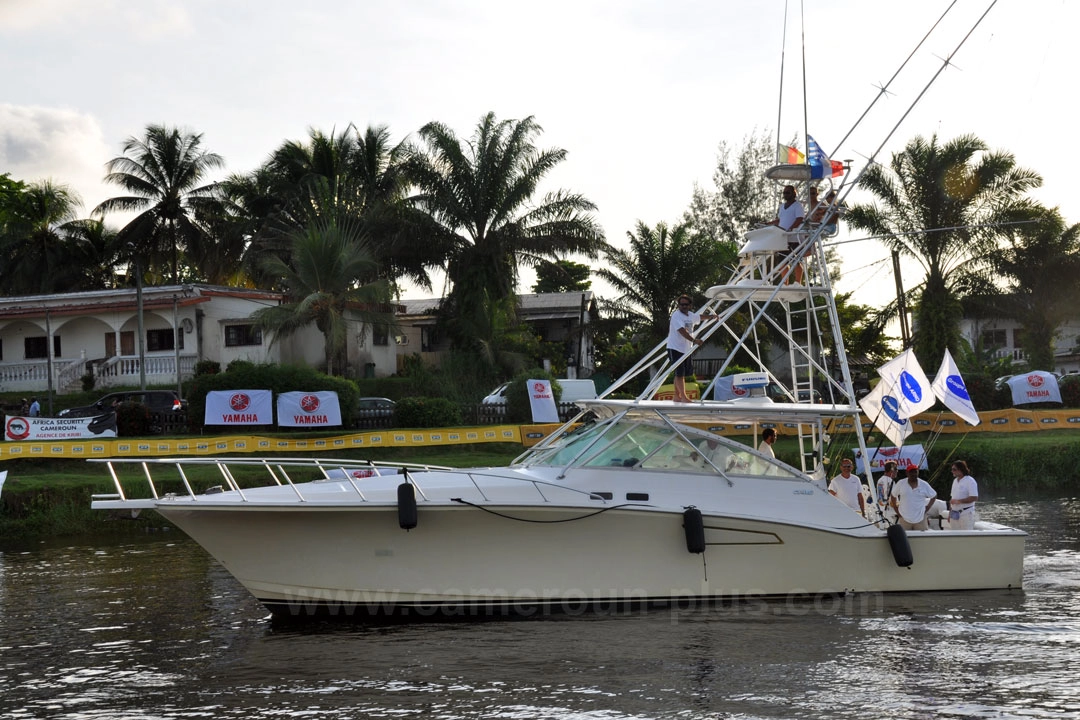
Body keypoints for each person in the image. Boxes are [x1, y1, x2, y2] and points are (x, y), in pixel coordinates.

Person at [667, 294, 716, 403]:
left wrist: (712, 317)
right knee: (679, 373)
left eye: (686, 304)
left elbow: (699, 317)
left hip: (685, 349)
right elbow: (682, 331)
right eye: (681, 304)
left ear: (689, 305)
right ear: (678, 305)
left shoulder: (690, 315)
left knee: (681, 373)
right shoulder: (676, 316)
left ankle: (677, 396)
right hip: (675, 347)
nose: (683, 306)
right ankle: (683, 397)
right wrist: (694, 341)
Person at [891, 464, 938, 531]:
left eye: (915, 472)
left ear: (918, 472)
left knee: (922, 540)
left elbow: (934, 495)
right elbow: (893, 495)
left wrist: (928, 507)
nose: (913, 474)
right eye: (911, 472)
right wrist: (896, 509)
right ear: (907, 473)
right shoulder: (901, 483)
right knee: (904, 539)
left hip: (920, 519)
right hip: (904, 518)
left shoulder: (924, 484)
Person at [948, 460, 979, 530]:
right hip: (954, 514)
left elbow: (974, 497)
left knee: (966, 537)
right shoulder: (955, 481)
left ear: (961, 469)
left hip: (966, 514)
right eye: (952, 469)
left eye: (954, 469)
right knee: (955, 537)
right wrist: (950, 514)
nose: (952, 471)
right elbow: (952, 498)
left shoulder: (970, 481)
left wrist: (959, 501)